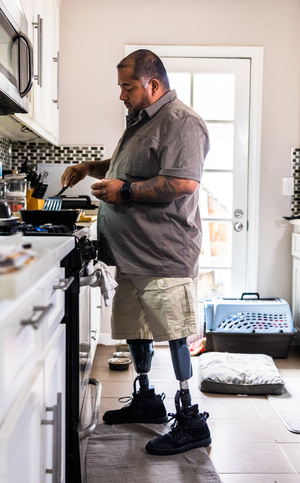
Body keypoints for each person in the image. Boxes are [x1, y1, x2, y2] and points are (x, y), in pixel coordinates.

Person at [61, 49, 211, 455]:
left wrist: (123, 191)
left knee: (176, 332)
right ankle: (146, 399)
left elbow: (182, 183)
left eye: (128, 87)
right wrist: (92, 167)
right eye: (121, 87)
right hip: (130, 253)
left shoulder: (182, 122)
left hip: (163, 253)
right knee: (135, 328)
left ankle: (191, 418)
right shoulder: (143, 121)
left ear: (153, 85)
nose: (122, 95)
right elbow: (133, 164)